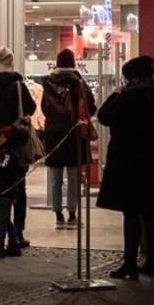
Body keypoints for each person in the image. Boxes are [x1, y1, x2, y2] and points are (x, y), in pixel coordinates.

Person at [97, 55, 154, 281]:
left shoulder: (127, 98)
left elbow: (103, 116)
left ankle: (129, 264)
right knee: (151, 212)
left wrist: (116, 94)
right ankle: (153, 261)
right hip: (153, 156)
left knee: (131, 212)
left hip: (127, 158)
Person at [0, 47, 37, 249]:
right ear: (11, 61)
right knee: (18, 188)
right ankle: (17, 234)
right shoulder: (18, 85)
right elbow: (30, 108)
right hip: (15, 141)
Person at [42, 48, 97, 230]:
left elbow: (44, 108)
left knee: (56, 177)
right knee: (74, 176)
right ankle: (72, 215)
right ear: (73, 63)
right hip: (74, 134)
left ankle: (58, 215)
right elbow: (91, 107)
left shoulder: (49, 82)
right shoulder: (79, 83)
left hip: (54, 135)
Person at [0, 123, 30, 258]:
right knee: (6, 219)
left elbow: (2, 167)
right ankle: (14, 243)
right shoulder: (5, 153)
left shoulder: (8, 154)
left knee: (2, 220)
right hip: (3, 191)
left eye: (2, 136)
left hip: (5, 191)